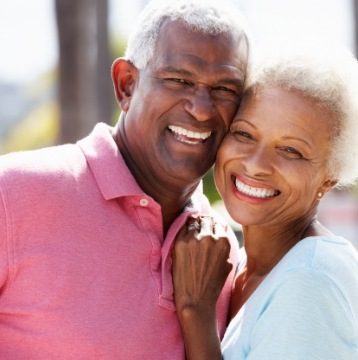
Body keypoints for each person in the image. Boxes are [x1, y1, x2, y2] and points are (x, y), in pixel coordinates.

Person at [0, 0, 251, 358]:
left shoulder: (221, 247)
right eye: (179, 80)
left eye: (225, 89)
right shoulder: (13, 194)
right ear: (126, 85)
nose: (202, 108)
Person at [172, 44, 358, 359]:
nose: (256, 164)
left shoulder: (309, 281)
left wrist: (196, 312)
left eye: (291, 151)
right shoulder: (248, 264)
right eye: (244, 135)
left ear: (330, 177)